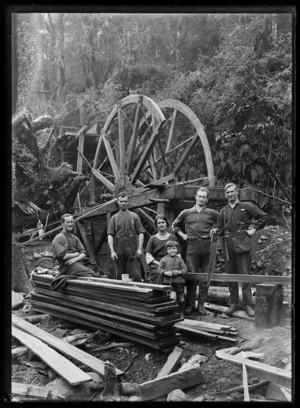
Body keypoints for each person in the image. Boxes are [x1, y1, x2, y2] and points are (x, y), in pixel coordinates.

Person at [211, 183, 268, 317]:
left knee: (244, 274)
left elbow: (263, 216)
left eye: (232, 192)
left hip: (242, 242)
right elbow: (220, 227)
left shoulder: (247, 206)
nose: (230, 194)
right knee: (230, 275)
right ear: (225, 195)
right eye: (228, 193)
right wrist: (215, 230)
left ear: (237, 192)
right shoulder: (223, 211)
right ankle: (234, 303)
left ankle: (248, 304)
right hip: (227, 244)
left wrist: (253, 228)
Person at [172, 187, 219, 316]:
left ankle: (202, 304)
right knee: (191, 276)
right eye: (199, 196)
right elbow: (174, 225)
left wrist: (215, 229)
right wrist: (183, 235)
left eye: (204, 197)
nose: (201, 199)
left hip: (207, 245)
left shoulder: (212, 213)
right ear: (195, 197)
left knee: (205, 277)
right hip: (192, 246)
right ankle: (190, 304)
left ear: (207, 199)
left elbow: (222, 223)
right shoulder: (186, 213)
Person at [51, 213, 96, 290]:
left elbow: (84, 253)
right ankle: (66, 275)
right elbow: (64, 256)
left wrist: (75, 259)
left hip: (75, 263)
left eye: (72, 222)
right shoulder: (58, 238)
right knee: (90, 273)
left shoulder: (74, 238)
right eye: (68, 222)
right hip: (66, 267)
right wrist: (77, 253)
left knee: (91, 273)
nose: (70, 224)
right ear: (62, 224)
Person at [107, 191, 145, 282]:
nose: (123, 203)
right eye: (121, 201)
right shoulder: (114, 218)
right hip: (119, 249)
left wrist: (140, 248)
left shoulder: (134, 216)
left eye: (125, 201)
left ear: (128, 202)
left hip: (132, 249)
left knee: (135, 274)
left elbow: (141, 233)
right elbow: (110, 235)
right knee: (119, 275)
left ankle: (136, 294)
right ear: (118, 202)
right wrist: (112, 251)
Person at [145, 214, 180, 284]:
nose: (161, 225)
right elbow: (148, 256)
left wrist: (175, 264)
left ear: (166, 223)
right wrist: (160, 264)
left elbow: (178, 254)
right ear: (156, 225)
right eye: (159, 223)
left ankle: (175, 294)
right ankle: (159, 293)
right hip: (158, 265)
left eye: (163, 222)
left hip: (172, 264)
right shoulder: (153, 239)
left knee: (177, 278)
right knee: (160, 275)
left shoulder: (173, 237)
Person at [158, 240, 188, 317]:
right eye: (170, 249)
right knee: (172, 297)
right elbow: (159, 269)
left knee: (181, 297)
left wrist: (179, 272)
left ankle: (181, 312)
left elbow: (185, 269)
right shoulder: (164, 259)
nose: (172, 250)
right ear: (167, 250)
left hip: (179, 282)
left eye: (174, 248)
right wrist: (165, 272)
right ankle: (172, 312)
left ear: (177, 250)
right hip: (168, 282)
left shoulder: (179, 260)